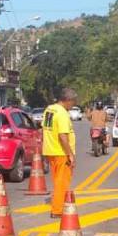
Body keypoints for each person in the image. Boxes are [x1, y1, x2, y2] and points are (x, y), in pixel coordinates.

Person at [42, 88, 77, 217]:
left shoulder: (50, 109)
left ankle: (58, 204)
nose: (73, 105)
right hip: (61, 152)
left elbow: (45, 129)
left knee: (57, 180)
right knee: (62, 181)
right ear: (67, 100)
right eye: (73, 102)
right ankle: (57, 210)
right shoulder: (62, 113)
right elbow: (63, 136)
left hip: (51, 150)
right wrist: (70, 154)